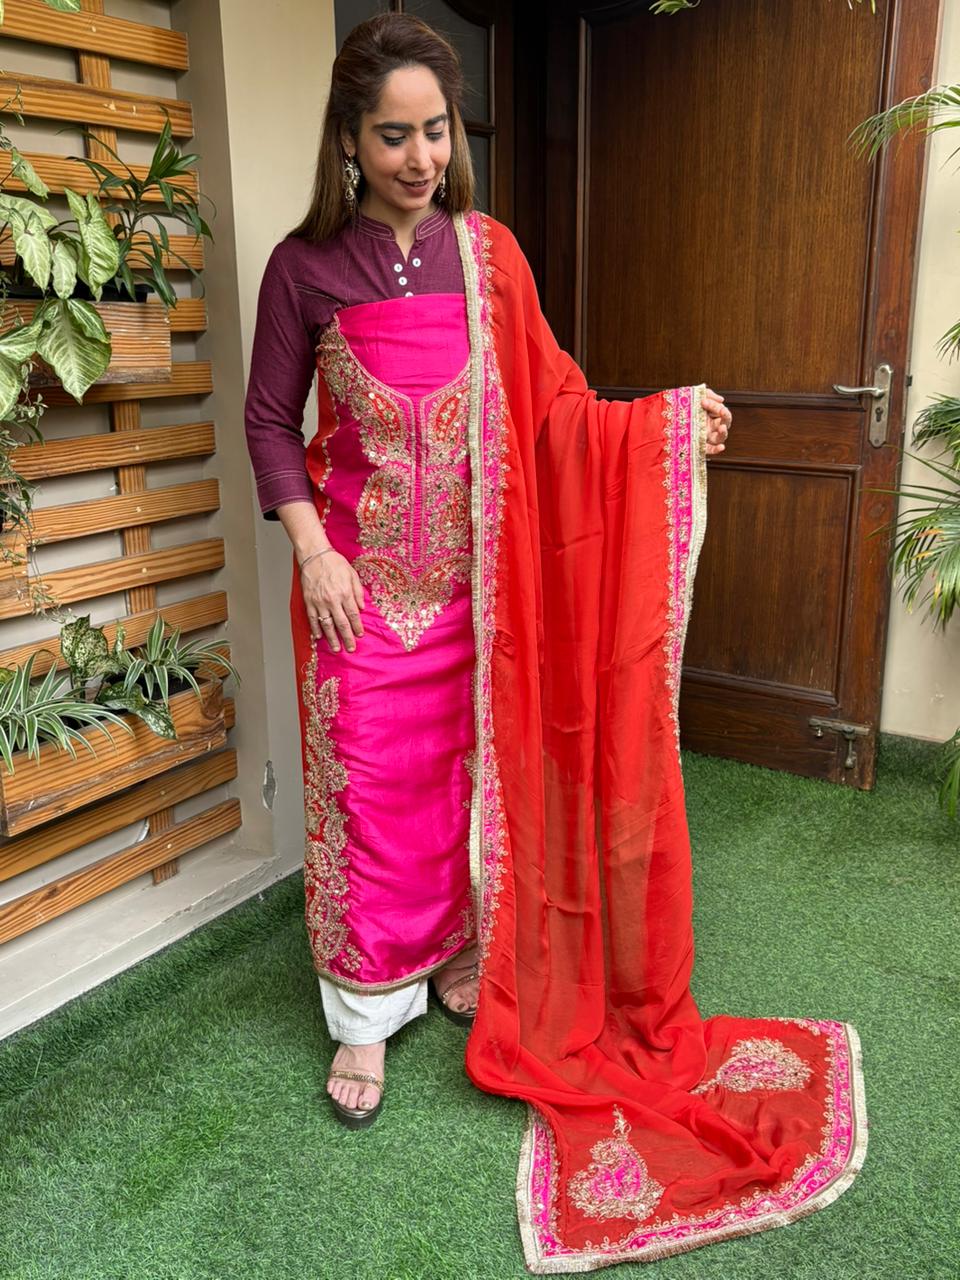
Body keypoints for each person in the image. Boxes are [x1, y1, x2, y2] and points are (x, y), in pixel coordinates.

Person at [244, 14, 864, 1273]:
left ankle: (456, 959)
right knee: (369, 787)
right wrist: (312, 551)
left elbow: (557, 409)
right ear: (348, 140)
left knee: (467, 782)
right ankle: (364, 1012)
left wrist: (664, 424)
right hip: (357, 588)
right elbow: (267, 419)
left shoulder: (490, 257)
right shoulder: (304, 267)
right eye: (393, 136)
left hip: (482, 595)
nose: (421, 157)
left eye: (435, 131)